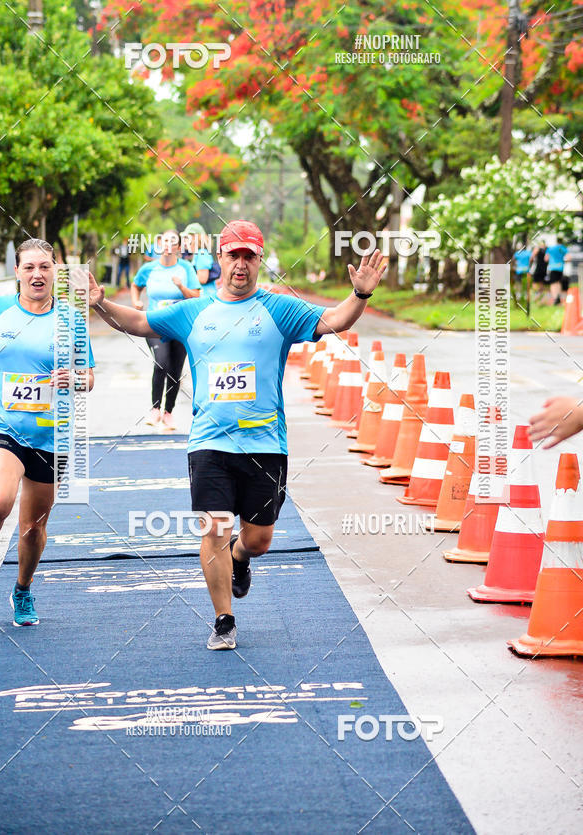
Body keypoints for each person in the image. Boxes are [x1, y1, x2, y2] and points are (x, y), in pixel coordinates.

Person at [87, 220, 387, 650]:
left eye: (249, 256)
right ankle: (223, 619)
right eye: (234, 255)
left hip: (264, 444)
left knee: (259, 539)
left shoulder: (279, 309)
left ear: (259, 260)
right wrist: (101, 304)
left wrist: (360, 295)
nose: (241, 264)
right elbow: (137, 321)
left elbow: (335, 320)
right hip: (209, 442)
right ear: (220, 259)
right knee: (213, 528)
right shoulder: (194, 312)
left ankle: (240, 555)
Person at [0, 239, 95, 623]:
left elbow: (89, 378)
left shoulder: (71, 320)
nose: (37, 274)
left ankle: (22, 589)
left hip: (51, 433)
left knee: (32, 528)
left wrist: (74, 379)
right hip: (1, 425)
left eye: (44, 267)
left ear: (55, 273)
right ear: (16, 271)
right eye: (29, 267)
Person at [131, 231, 201, 430]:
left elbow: (196, 296)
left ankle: (168, 412)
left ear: (178, 247)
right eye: (165, 241)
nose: (169, 245)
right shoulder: (149, 268)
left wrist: (181, 287)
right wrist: (136, 301)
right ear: (159, 244)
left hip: (179, 326)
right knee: (161, 363)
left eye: (173, 241)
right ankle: (155, 409)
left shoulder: (186, 268)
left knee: (175, 370)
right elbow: (136, 286)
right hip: (155, 324)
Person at [182, 223, 220, 298]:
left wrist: (182, 278)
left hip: (205, 297)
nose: (183, 241)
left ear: (195, 238)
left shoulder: (202, 253)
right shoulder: (198, 254)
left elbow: (203, 279)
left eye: (186, 237)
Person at [545, 239, 568, 305]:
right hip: (560, 267)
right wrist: (562, 261)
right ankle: (558, 297)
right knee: (558, 282)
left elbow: (546, 259)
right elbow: (568, 258)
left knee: (553, 283)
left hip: (553, 267)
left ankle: (555, 298)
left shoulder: (550, 248)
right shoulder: (563, 248)